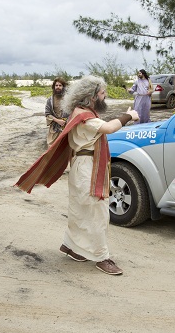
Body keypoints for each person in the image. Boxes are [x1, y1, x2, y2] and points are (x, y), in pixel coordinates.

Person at [15, 75, 139, 276]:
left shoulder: (82, 113)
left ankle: (71, 246)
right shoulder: (83, 116)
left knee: (80, 209)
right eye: (101, 93)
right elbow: (109, 128)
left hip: (83, 166)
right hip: (87, 167)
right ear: (90, 96)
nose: (104, 96)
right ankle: (101, 257)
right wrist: (129, 116)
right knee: (98, 211)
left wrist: (124, 117)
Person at [45, 77, 69, 146]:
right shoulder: (50, 100)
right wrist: (58, 120)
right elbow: (47, 114)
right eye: (56, 85)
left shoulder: (68, 99)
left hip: (66, 127)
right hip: (54, 128)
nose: (58, 87)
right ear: (54, 87)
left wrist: (66, 121)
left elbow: (73, 112)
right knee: (51, 147)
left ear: (63, 87)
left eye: (60, 85)